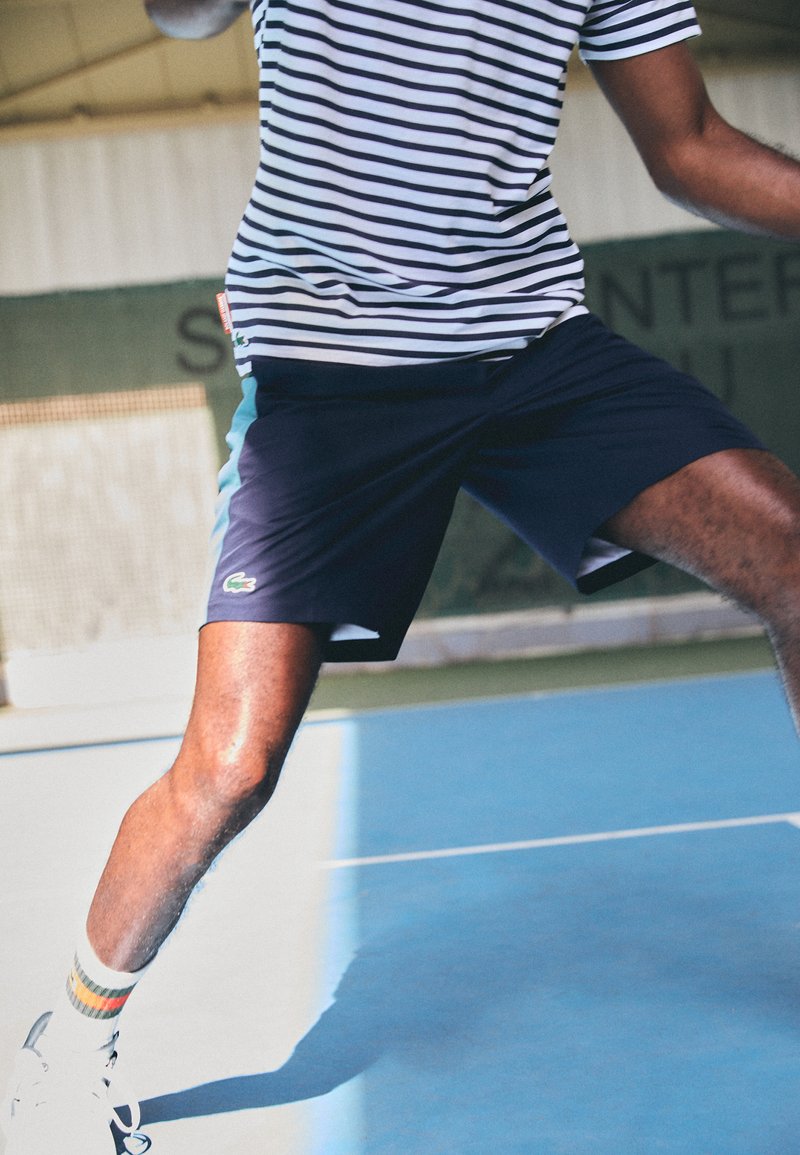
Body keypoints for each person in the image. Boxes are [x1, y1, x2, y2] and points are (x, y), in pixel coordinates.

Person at [4, 0, 800, 1150]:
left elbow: (688, 147)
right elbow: (179, 17)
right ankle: (70, 1039)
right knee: (229, 767)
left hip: (528, 347)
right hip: (332, 372)